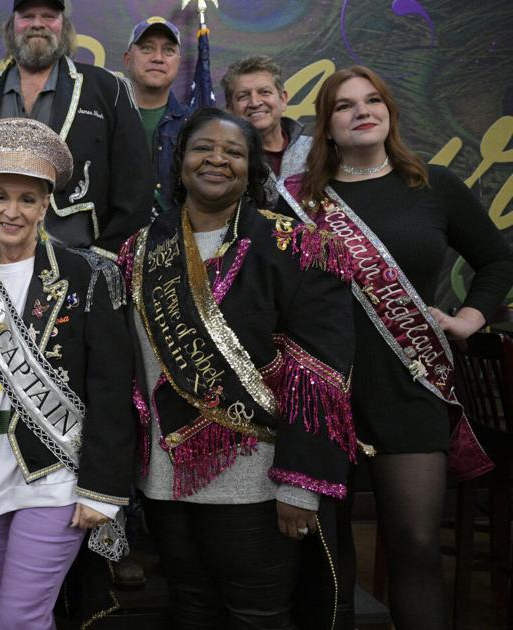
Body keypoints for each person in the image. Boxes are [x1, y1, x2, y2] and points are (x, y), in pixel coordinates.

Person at [276, 66, 513, 630]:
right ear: (326, 127)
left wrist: (468, 319)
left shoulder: (432, 186)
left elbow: (498, 258)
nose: (362, 111)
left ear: (389, 113)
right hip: (322, 393)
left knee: (416, 544)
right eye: (344, 105)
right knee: (324, 557)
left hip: (409, 387)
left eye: (373, 100)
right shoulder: (299, 202)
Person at [124, 107, 358, 628]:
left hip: (259, 482)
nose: (216, 159)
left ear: (253, 169)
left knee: (258, 615)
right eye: (203, 147)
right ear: (180, 161)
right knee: (190, 606)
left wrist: (301, 486)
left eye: (234, 152)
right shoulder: (139, 251)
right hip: (164, 479)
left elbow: (321, 374)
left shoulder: (296, 247)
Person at [0, 117, 137, 629]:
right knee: (26, 614)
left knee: (18, 618)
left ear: (46, 204)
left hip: (55, 476)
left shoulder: (88, 274)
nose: (13, 211)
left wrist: (102, 488)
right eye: (1, 196)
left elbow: (110, 387)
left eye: (27, 199)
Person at [0, 0, 152, 252]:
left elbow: (136, 188)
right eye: (27, 16)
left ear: (64, 26)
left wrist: (104, 260)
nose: (37, 24)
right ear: (11, 26)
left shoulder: (108, 90)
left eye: (48, 16)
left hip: (81, 265)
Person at [122, 16, 188, 208]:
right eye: (147, 48)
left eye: (168, 50)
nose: (158, 58)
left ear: (178, 62)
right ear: (127, 59)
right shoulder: (106, 119)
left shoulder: (194, 125)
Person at [222, 55, 306, 203]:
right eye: (243, 96)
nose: (254, 102)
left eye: (265, 92)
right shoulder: (223, 162)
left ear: (283, 99)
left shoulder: (317, 150)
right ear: (229, 109)